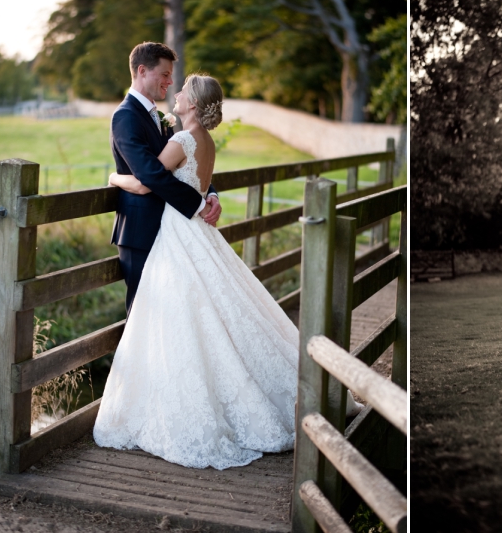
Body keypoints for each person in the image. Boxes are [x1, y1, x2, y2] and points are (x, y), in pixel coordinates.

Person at [94, 73, 361, 470]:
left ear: (193, 105)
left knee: (182, 316)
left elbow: (146, 182)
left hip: (180, 234)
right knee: (211, 311)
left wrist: (112, 176)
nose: (177, 92)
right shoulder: (205, 140)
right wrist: (209, 196)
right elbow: (198, 182)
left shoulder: (182, 139)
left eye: (182, 90)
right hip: (195, 231)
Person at [109, 42, 222, 315]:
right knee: (142, 314)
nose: (171, 82)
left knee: (171, 314)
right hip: (140, 231)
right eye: (165, 74)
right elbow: (150, 175)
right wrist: (198, 203)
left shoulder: (160, 117)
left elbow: (183, 162)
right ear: (142, 70)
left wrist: (210, 193)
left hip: (171, 230)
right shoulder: (126, 117)